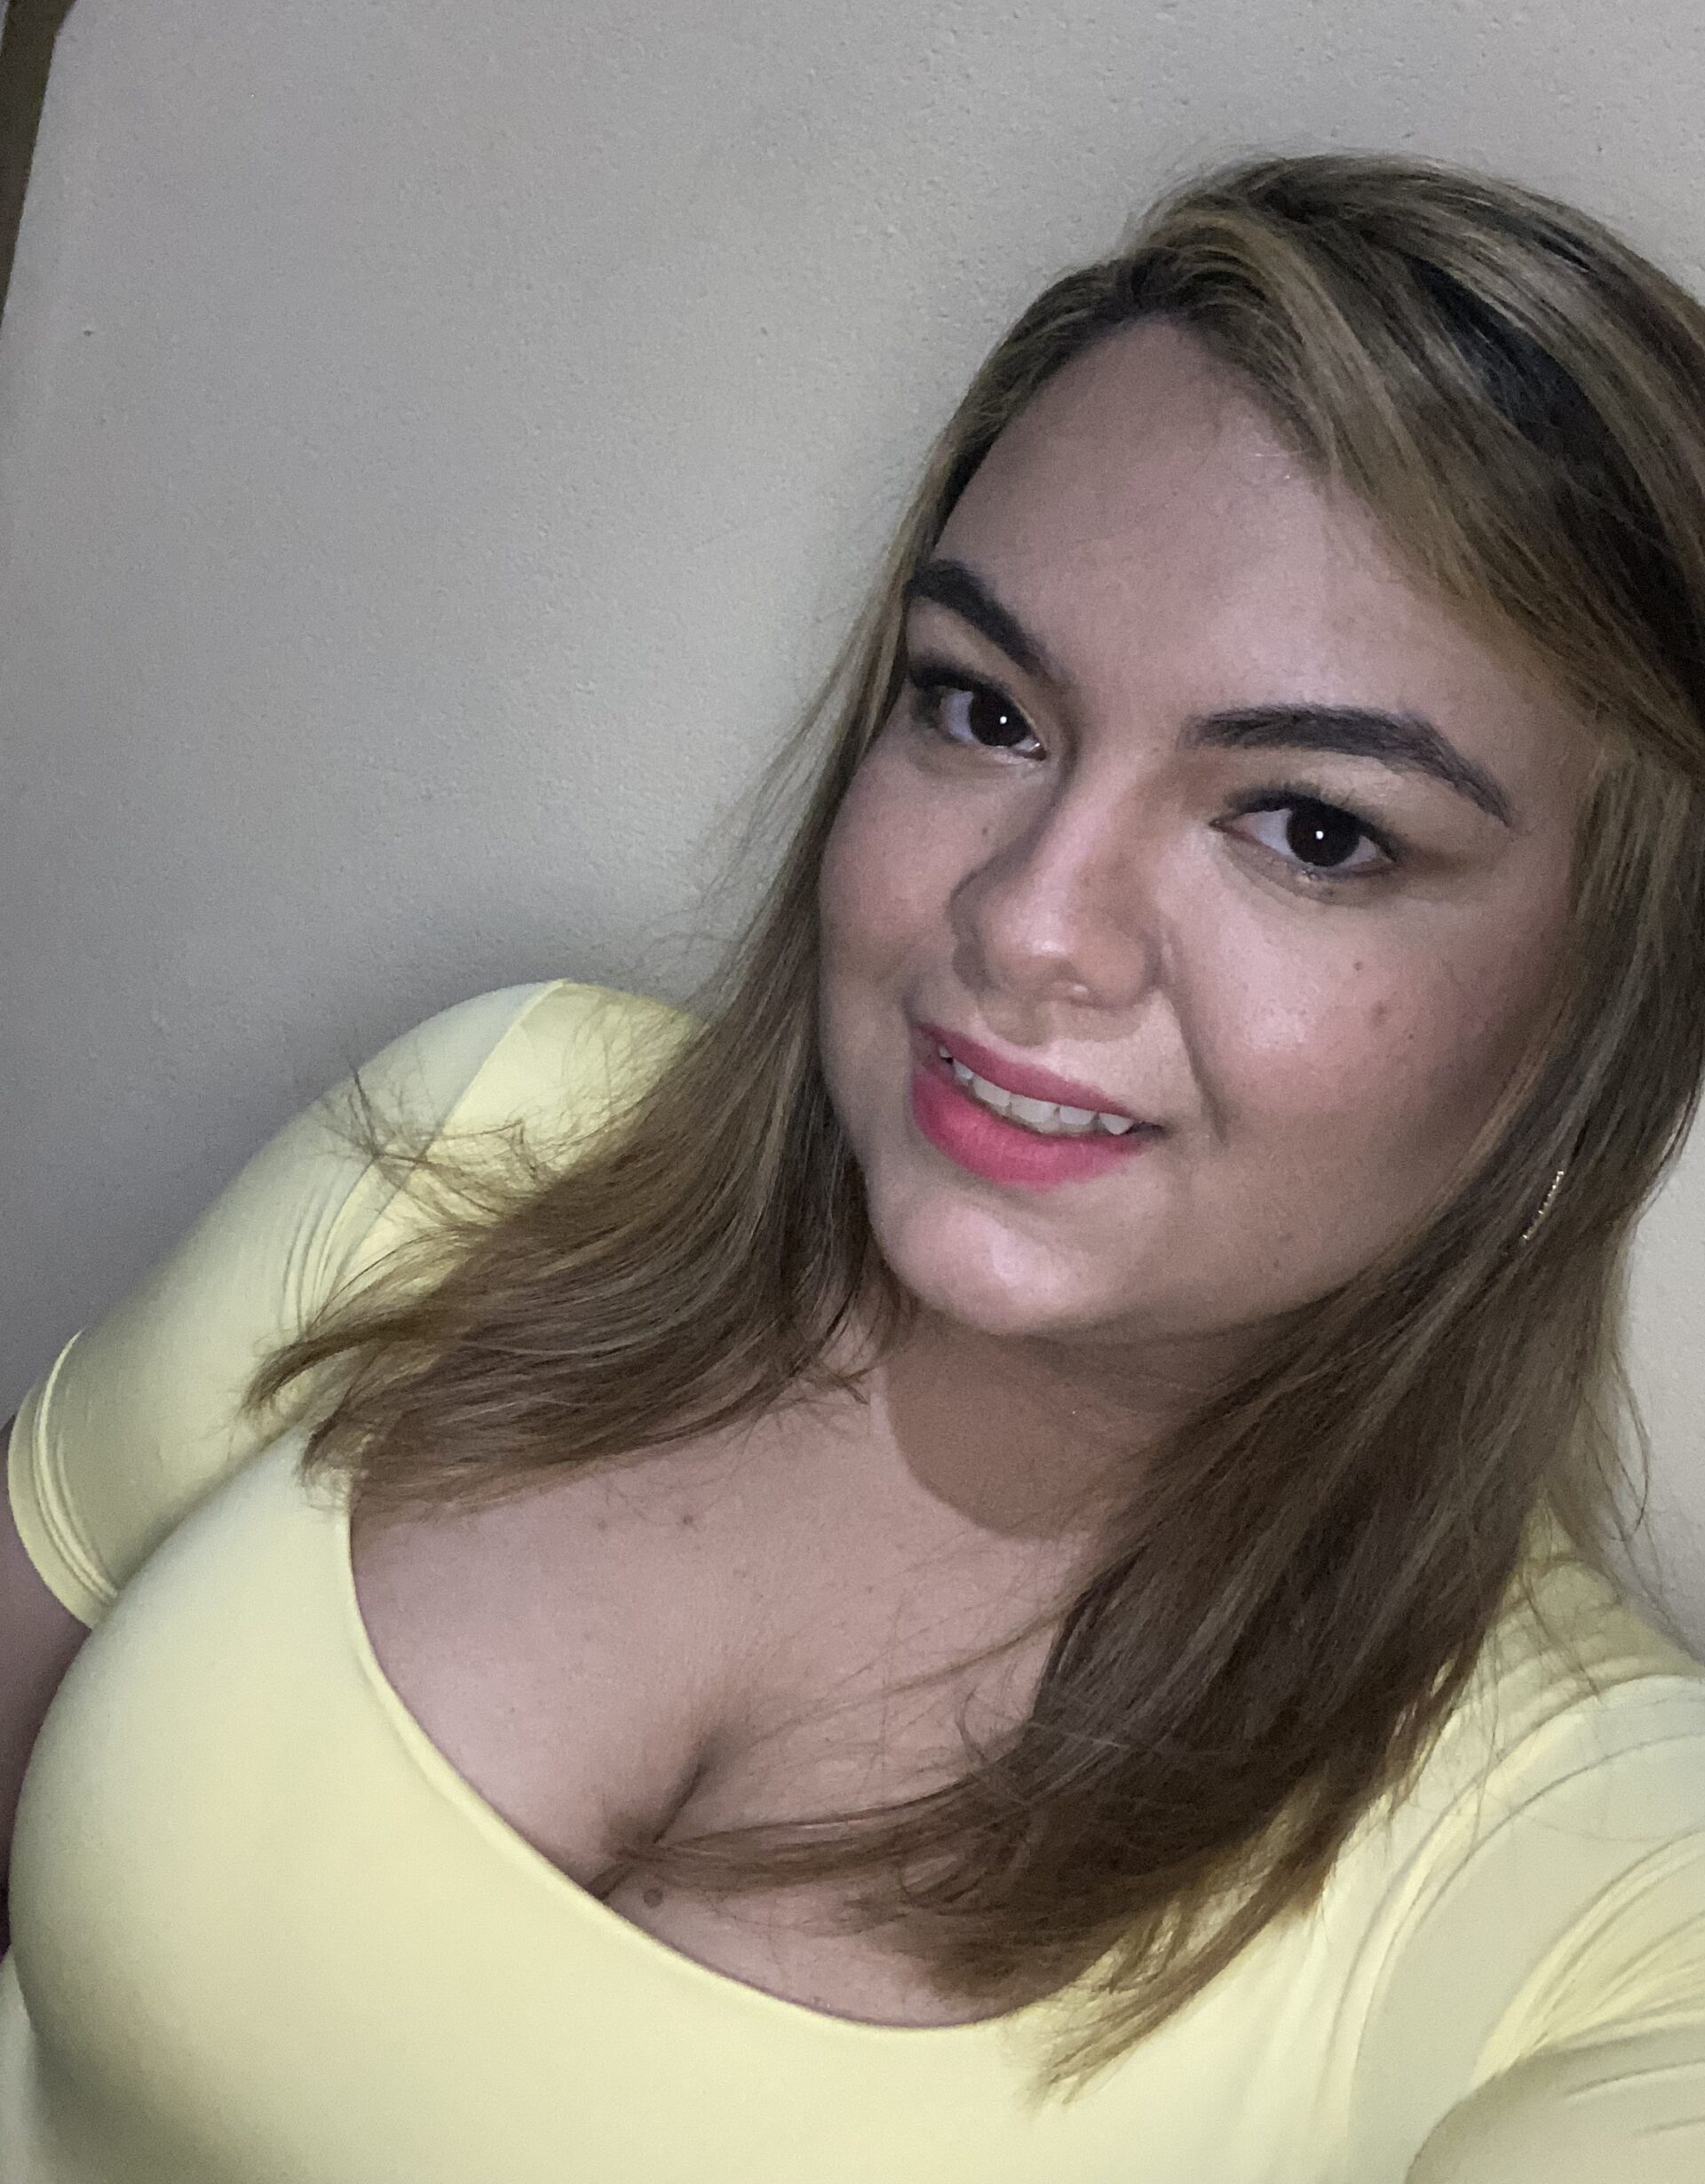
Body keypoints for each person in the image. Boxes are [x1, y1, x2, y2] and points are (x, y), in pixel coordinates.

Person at [3, 150, 1704, 2182]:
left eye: (1311, 828)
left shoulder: (1611, 1906)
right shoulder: (501, 1125)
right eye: (983, 709)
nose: (1029, 920)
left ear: (1608, 1000)